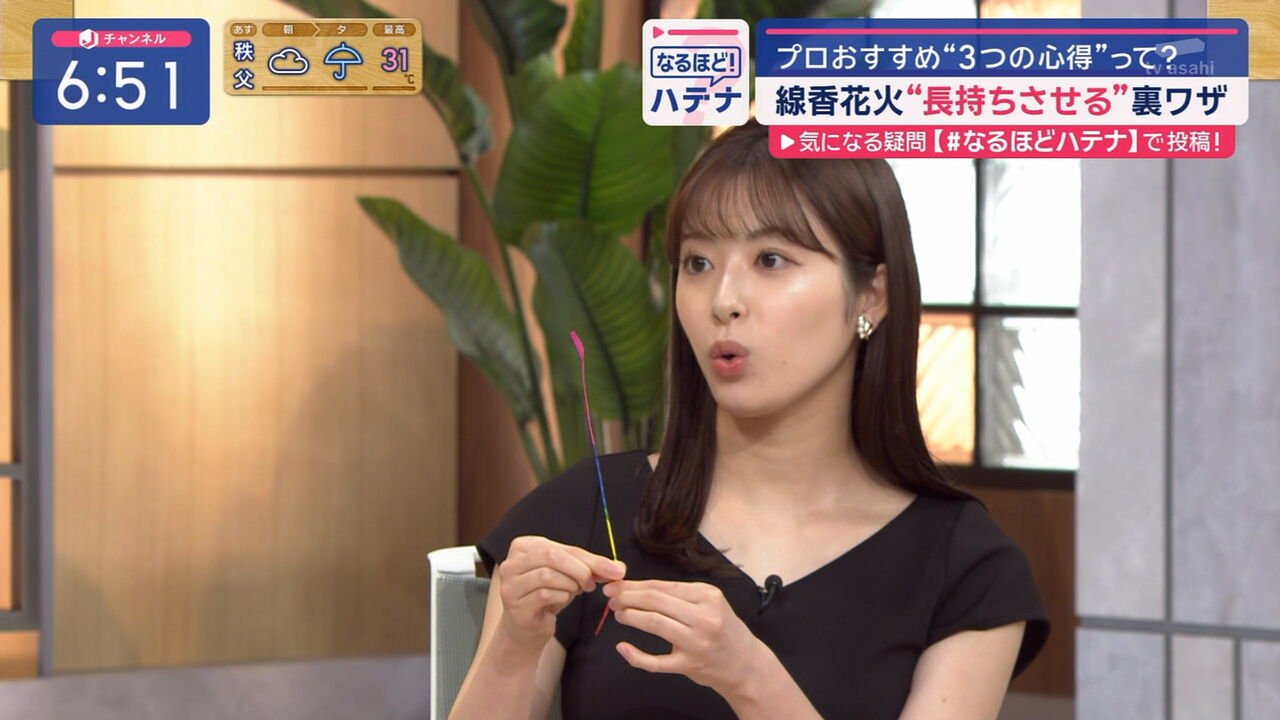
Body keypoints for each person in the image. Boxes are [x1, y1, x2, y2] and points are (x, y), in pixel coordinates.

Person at [449, 117, 1051, 719]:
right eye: (697, 263)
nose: (723, 301)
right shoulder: (583, 512)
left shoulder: (965, 566)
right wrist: (512, 645)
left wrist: (751, 680)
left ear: (871, 295)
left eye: (771, 259)